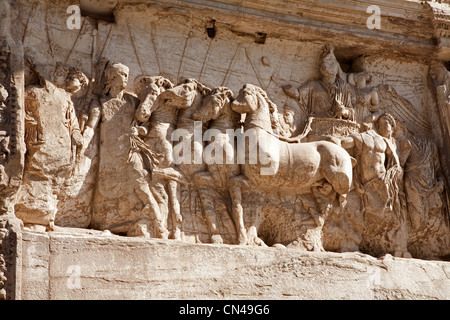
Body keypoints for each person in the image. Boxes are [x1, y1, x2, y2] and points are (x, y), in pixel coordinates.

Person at [341, 113, 411, 257]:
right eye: (387, 124)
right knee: (370, 212)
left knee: (390, 211)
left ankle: (393, 245)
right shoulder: (362, 137)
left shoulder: (386, 143)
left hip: (382, 179)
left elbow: (396, 164)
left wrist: (392, 176)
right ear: (380, 124)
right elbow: (343, 144)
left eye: (391, 126)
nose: (389, 129)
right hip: (367, 181)